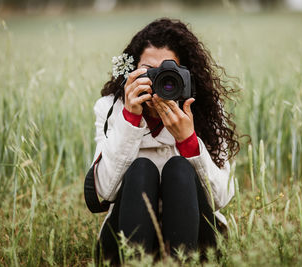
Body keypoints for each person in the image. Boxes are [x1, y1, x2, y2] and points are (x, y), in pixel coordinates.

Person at [92, 18, 240, 264]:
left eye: (168, 73)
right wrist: (130, 119)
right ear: (131, 73)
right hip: (128, 236)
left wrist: (188, 141)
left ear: (186, 76)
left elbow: (220, 199)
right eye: (148, 71)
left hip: (196, 239)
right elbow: (105, 191)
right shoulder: (110, 108)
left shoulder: (204, 111)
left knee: (179, 169)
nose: (158, 82)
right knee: (140, 169)